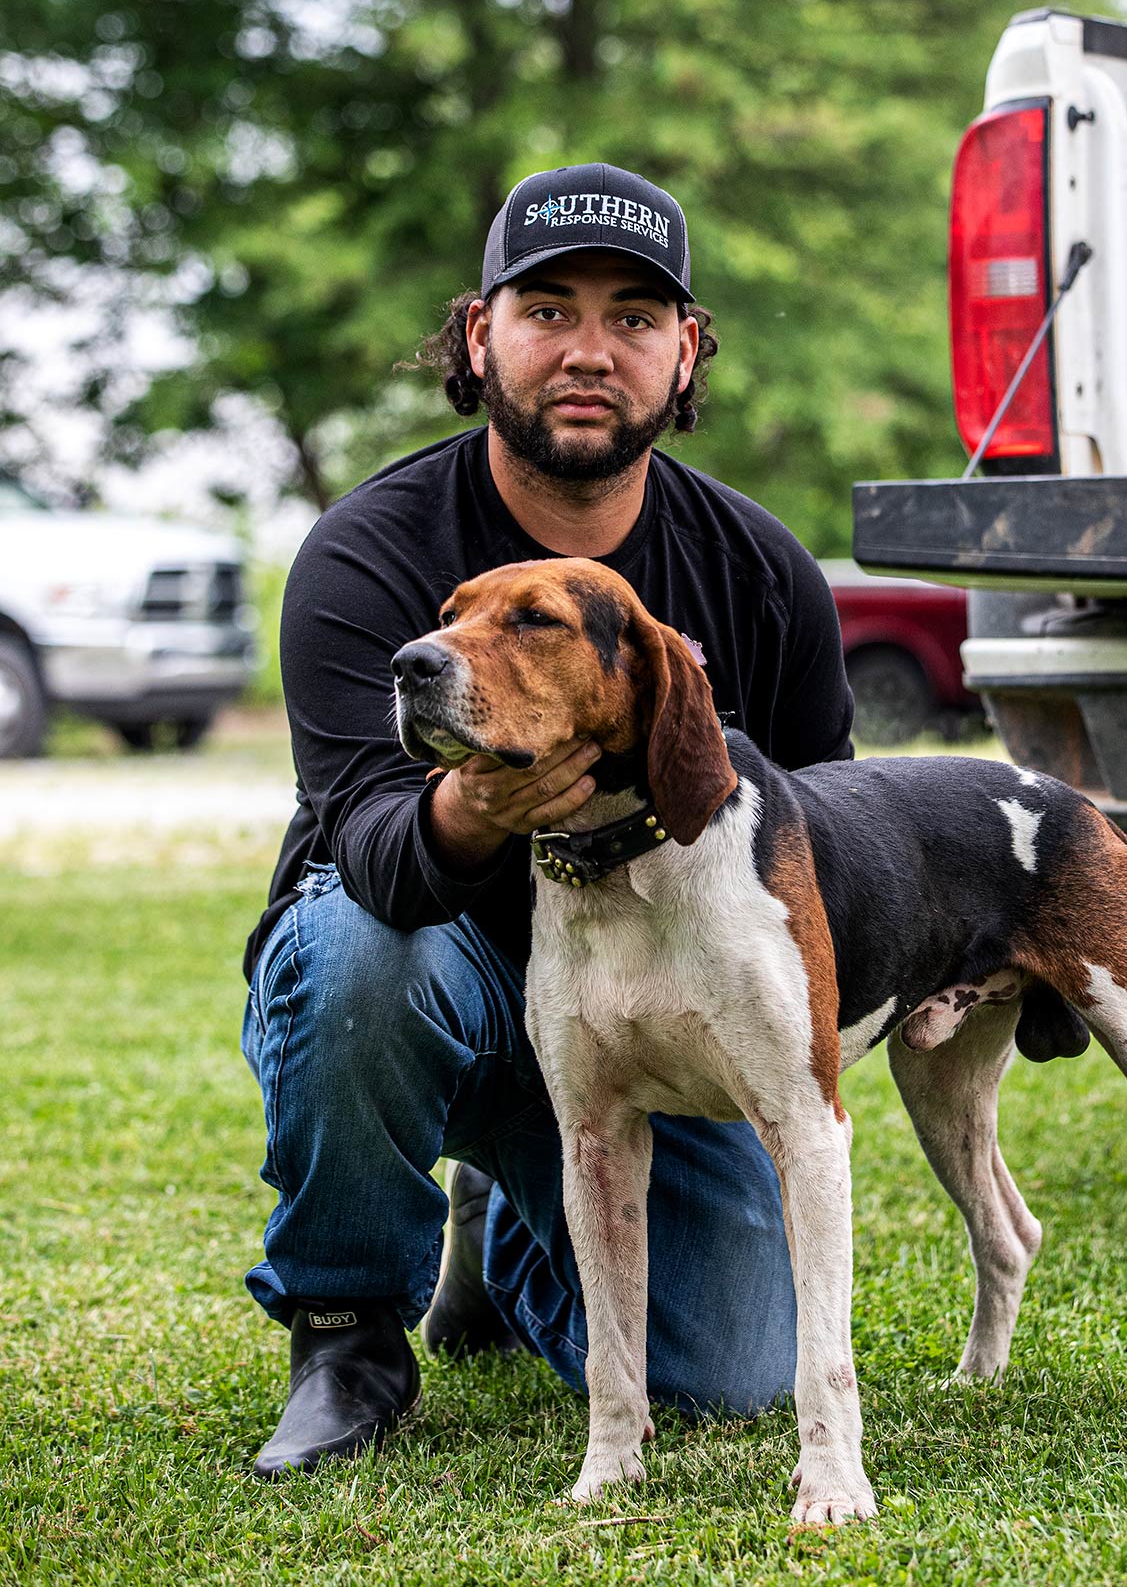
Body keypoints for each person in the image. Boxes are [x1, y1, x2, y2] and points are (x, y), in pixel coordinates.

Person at [241, 163, 855, 1477]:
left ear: (686, 355)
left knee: (728, 1372)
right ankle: (346, 1333)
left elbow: (820, 849)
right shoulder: (366, 558)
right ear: (480, 335)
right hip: (436, 967)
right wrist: (479, 798)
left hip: (665, 1001)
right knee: (357, 953)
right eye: (547, 308)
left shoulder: (761, 573)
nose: (590, 349)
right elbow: (377, 857)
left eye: (636, 316)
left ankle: (514, 1225)